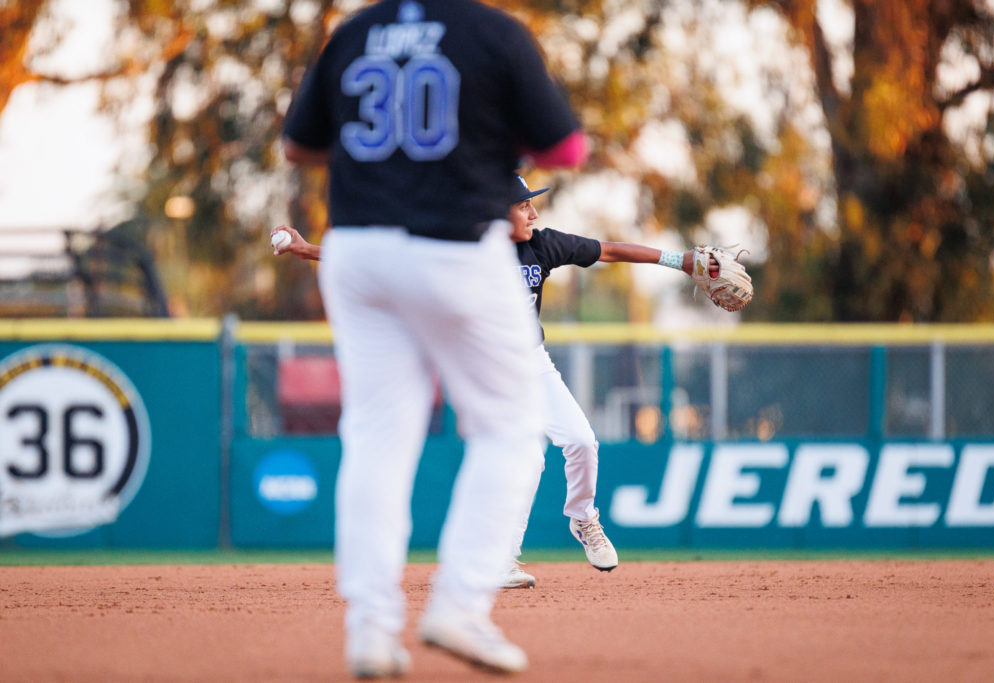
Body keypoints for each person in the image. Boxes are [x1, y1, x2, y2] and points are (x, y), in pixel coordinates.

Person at [280, 0, 587, 677]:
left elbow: (298, 145)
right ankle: (459, 603)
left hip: (358, 247)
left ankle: (369, 628)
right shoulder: (492, 32)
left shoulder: (355, 31)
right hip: (452, 243)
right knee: (510, 425)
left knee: (377, 434)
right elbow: (564, 147)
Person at [271, 175, 719, 591]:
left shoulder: (542, 247)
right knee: (527, 458)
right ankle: (502, 560)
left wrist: (680, 261)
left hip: (531, 362)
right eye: (525, 205)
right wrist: (308, 249)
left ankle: (583, 518)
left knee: (583, 441)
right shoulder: (463, 248)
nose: (534, 214)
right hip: (485, 370)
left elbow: (611, 250)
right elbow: (385, 260)